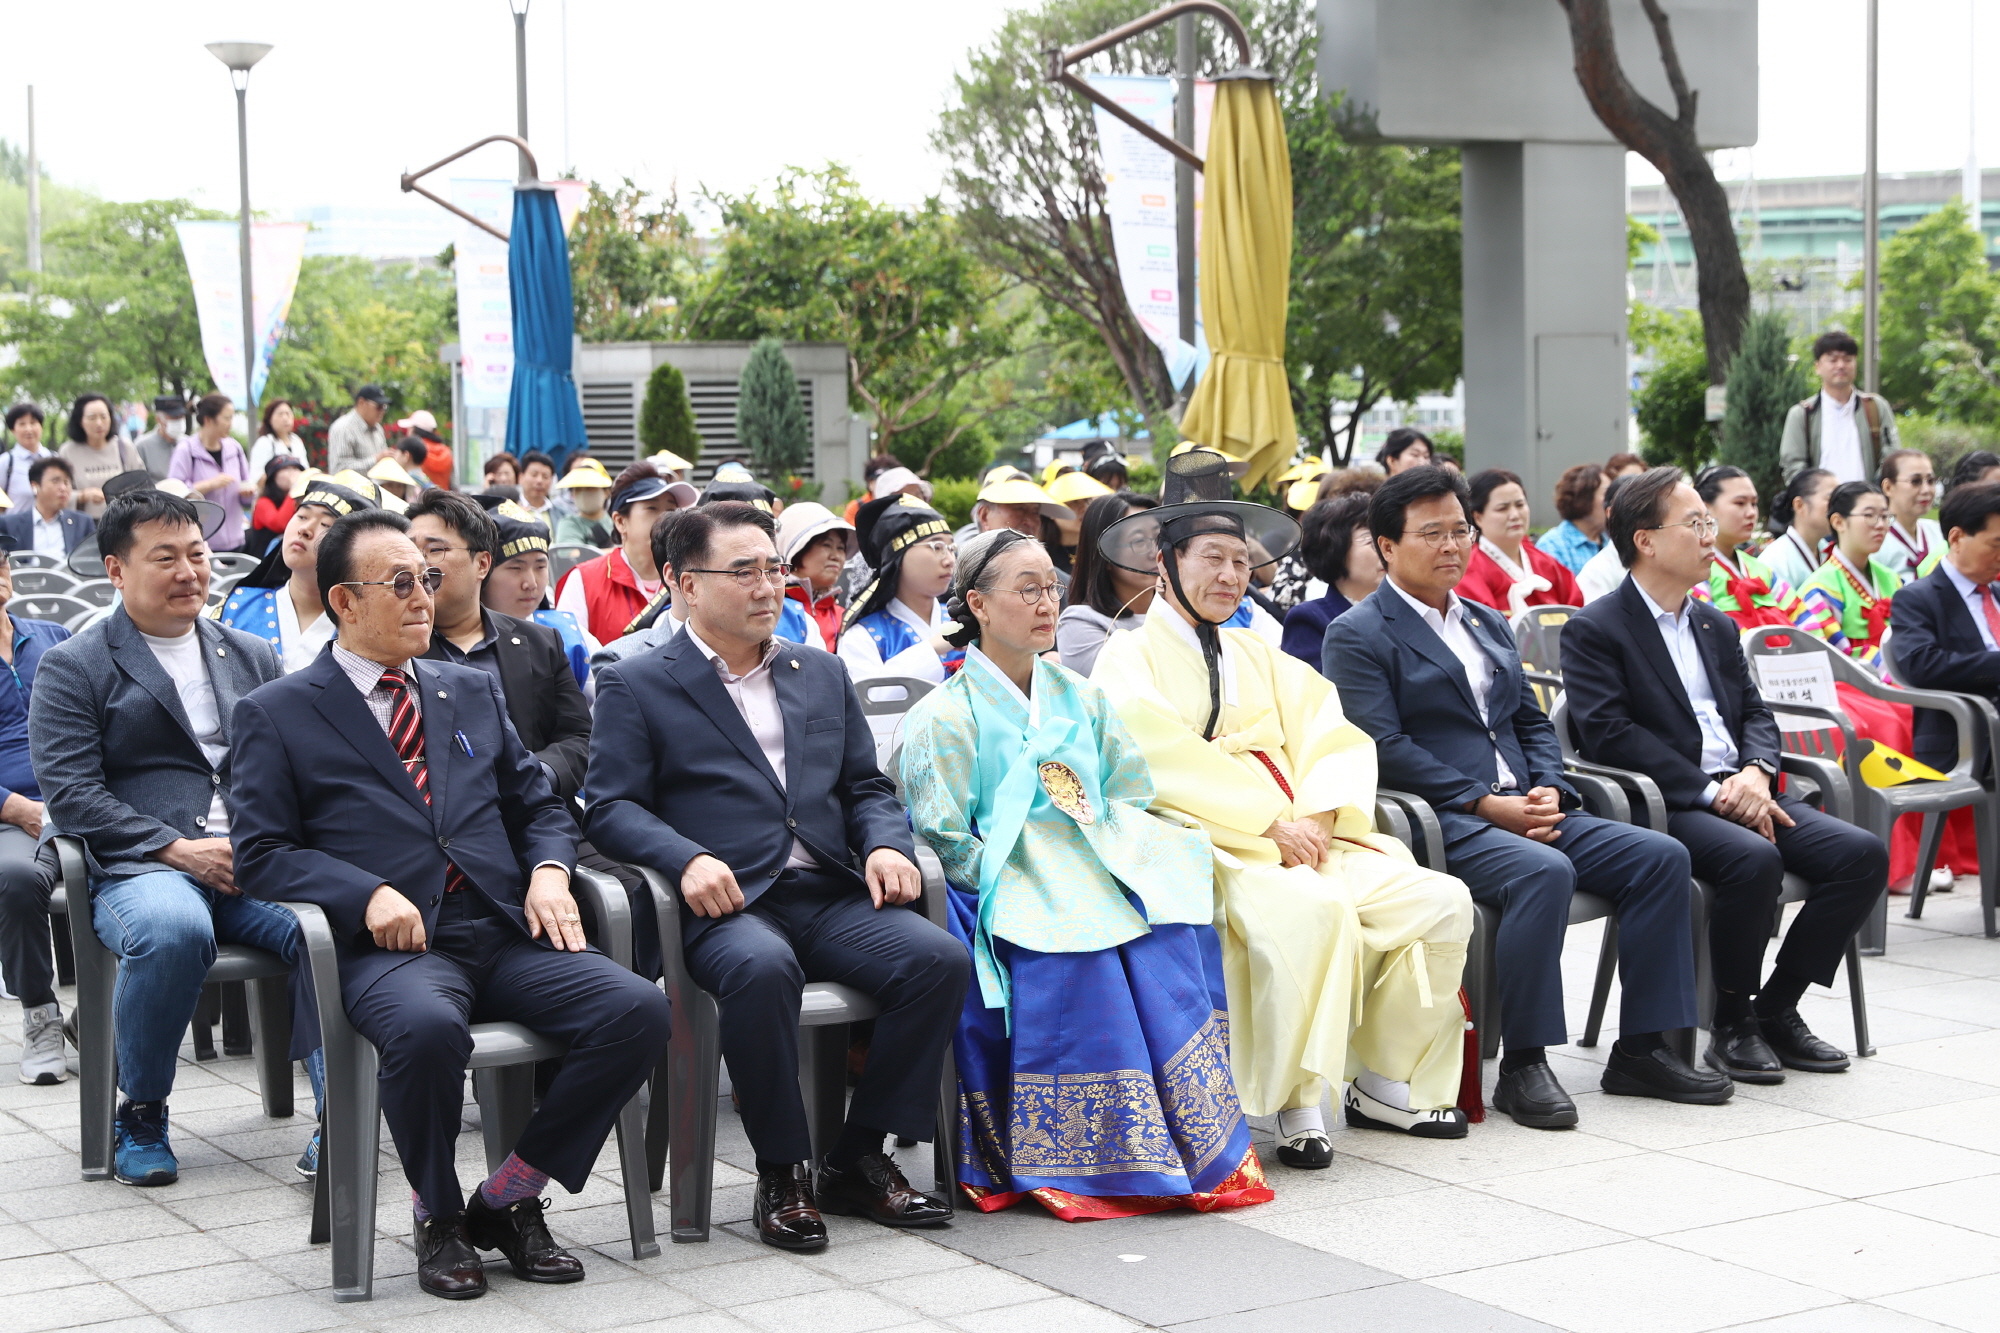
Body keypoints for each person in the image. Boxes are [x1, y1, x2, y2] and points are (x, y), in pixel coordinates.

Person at [229, 507, 668, 1300]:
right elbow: (261, 854)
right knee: (429, 1030)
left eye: (427, 578)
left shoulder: (466, 687)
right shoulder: (279, 711)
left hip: (501, 925)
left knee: (635, 1008)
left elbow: (537, 806)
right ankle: (437, 1213)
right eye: (399, 582)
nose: (422, 595)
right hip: (390, 948)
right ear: (344, 601)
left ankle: (507, 1197)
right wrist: (364, 893)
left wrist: (547, 872)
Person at [584, 501, 967, 1252]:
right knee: (762, 968)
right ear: (683, 583)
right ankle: (781, 1169)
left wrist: (887, 843)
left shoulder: (818, 672)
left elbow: (866, 787)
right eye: (744, 571)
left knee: (937, 959)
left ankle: (857, 1154)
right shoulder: (638, 682)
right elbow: (609, 808)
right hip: (724, 903)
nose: (768, 588)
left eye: (774, 569)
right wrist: (684, 857)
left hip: (823, 888)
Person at [1093, 450, 1477, 1167]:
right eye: (1213, 558)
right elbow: (1153, 755)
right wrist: (1267, 824)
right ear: (1165, 561)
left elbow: (1330, 731)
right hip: (1212, 838)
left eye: (1241, 562)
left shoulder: (1257, 651)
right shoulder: (1126, 657)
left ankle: (1384, 1077)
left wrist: (1322, 816)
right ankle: (1299, 1095)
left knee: (1441, 901)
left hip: (1304, 828)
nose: (1231, 577)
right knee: (1314, 911)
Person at [1325, 466, 1725, 1128]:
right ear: (1388, 545)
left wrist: (1547, 785)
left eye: (1461, 529)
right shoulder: (1359, 632)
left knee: (1660, 856)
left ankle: (1643, 1048)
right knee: (1545, 872)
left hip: (1526, 804)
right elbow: (1382, 745)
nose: (1453, 545)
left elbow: (1530, 720)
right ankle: (1524, 1064)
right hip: (1442, 819)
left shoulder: (1483, 619)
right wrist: (1486, 803)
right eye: (1433, 532)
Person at [900, 528, 1272, 1218]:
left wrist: (1106, 848)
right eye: (1028, 588)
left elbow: (1128, 790)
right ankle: (1076, 1153)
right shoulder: (942, 717)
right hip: (1002, 877)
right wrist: (1036, 870)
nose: (1048, 603)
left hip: (1094, 858)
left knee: (1171, 917)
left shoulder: (1083, 696)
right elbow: (945, 838)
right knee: (1081, 952)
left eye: (1053, 586)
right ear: (977, 603)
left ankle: (1185, 1142)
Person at [27, 491, 317, 1185]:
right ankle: (143, 1109)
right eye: (166, 557)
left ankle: (340, 1113)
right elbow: (70, 793)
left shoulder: (248, 652)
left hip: (253, 860)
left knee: (330, 921)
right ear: (116, 570)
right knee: (175, 927)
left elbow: (288, 764)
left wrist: (271, 842)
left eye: (198, 554)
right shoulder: (76, 664)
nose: (189, 570)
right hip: (144, 867)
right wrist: (177, 849)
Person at [1562, 468, 1887, 1084]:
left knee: (1861, 855)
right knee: (1751, 861)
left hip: (1747, 789)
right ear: (1646, 539)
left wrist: (1758, 773)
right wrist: (1716, 791)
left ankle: (1776, 1008)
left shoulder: (1715, 624)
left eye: (1711, 523)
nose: (1712, 537)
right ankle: (1731, 1023)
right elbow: (1610, 735)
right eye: (1697, 523)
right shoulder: (1596, 628)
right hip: (1668, 803)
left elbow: (1756, 713)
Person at [407, 491, 591, 800]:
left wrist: (535, 775)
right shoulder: (394, 647)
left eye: (434, 549)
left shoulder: (541, 641)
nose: (417, 563)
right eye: (409, 549)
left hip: (540, 814)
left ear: (482, 564)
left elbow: (580, 737)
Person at [0, 550, 71, 1084]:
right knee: (18, 878)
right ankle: (40, 1015)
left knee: (154, 872)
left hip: (79, 796)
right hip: (10, 812)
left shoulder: (51, 635)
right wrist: (17, 808)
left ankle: (95, 1013)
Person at [1888, 481, 2000, 781]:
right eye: (1997, 543)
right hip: (1967, 735)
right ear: (1957, 537)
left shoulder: (1997, 592)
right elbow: (1922, 665)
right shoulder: (1917, 598)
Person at [217, 477, 377, 673]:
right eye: (302, 516)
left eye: (326, 524)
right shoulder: (237, 605)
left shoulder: (368, 628)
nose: (305, 529)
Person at [552, 462, 695, 644]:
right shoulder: (583, 580)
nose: (665, 519)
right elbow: (569, 654)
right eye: (652, 508)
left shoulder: (690, 579)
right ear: (620, 521)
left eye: (671, 510)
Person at [838, 495, 960, 683]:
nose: (950, 560)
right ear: (897, 556)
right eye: (937, 546)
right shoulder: (862, 638)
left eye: (951, 548)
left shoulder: (966, 621)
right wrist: (932, 648)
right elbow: (867, 705)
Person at [477, 499, 594, 689]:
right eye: (516, 568)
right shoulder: (457, 640)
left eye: (540, 566)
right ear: (483, 570)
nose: (531, 583)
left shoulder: (571, 637)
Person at [1056, 492, 1160, 676]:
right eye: (1139, 541)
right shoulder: (1081, 623)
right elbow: (1131, 686)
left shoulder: (1185, 611)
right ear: (1104, 555)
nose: (1156, 552)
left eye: (1160, 539)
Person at [1798, 481, 1899, 668]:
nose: (1881, 525)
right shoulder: (1820, 589)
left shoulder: (1891, 579)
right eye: (1869, 516)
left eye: (1885, 516)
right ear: (1838, 522)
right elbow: (1828, 660)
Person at [1457, 468, 1583, 614]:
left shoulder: (1546, 563)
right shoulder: (1470, 570)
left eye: (1520, 505)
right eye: (1502, 508)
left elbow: (1577, 610)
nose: (1515, 515)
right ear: (1478, 517)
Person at [1780, 331, 1899, 483]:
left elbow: (1892, 457)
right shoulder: (1802, 414)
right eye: (1833, 360)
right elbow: (1793, 465)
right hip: (1821, 504)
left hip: (1869, 501)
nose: (1841, 365)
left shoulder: (1876, 407)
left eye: (1848, 359)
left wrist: (1873, 493)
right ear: (1817, 366)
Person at [1281, 493, 1380, 665]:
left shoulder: (1408, 607)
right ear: (1335, 550)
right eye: (1371, 542)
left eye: (1389, 541)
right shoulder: (1310, 620)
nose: (1386, 551)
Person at [169, 393, 253, 552]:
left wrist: (247, 494)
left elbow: (245, 487)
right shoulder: (186, 450)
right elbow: (174, 493)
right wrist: (210, 484)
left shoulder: (234, 448)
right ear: (208, 420)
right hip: (202, 543)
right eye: (226, 418)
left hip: (236, 539)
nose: (230, 423)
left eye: (231, 418)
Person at [774, 501, 855, 652]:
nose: (836, 556)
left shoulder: (846, 617)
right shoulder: (771, 610)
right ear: (797, 551)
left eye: (841, 548)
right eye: (826, 545)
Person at [61, 392, 145, 519]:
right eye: (92, 418)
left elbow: (143, 486)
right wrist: (82, 496)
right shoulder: (68, 452)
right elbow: (58, 494)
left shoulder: (124, 447)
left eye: (103, 416)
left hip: (123, 522)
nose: (99, 423)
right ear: (80, 421)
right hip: (86, 525)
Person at [1758, 467, 1838, 594]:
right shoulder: (1774, 561)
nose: (1839, 507)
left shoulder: (1830, 552)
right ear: (1799, 505)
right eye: (1831, 499)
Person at [0, 456, 91, 559]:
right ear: (35, 486)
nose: (63, 488)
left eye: (67, 482)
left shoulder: (83, 523)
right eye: (55, 481)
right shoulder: (9, 525)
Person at [1575, 473, 1644, 603]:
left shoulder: (1665, 562)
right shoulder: (1597, 573)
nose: (1645, 517)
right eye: (1636, 509)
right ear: (1611, 513)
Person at [1878, 449, 1943, 585]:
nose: (1926, 490)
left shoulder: (1939, 532)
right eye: (1916, 481)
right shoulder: (1875, 537)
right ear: (1888, 487)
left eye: (1930, 481)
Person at [1537, 464, 1610, 574]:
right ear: (1583, 499)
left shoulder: (1612, 541)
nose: (1614, 501)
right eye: (1607, 494)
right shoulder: (1552, 547)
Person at [325, 385, 390, 476]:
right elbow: (340, 470)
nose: (382, 411)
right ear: (361, 403)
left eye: (384, 407)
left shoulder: (378, 429)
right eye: (379, 406)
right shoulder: (343, 428)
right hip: (349, 490)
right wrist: (376, 460)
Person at [247, 456, 304, 558]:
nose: (294, 473)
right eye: (286, 469)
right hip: (264, 563)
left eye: (296, 468)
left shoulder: (301, 500)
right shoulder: (263, 502)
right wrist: (294, 489)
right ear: (273, 477)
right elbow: (279, 524)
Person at [552, 461, 614, 548]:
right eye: (578, 489)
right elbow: (574, 557)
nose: (584, 493)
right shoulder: (569, 523)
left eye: (590, 488)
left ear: (606, 492)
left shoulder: (616, 522)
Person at [3, 402, 50, 513]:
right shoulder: (5, 463)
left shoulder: (53, 459)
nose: (28, 429)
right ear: (13, 430)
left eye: (33, 423)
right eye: (22, 424)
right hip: (14, 528)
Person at [247, 399, 307, 481]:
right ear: (270, 419)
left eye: (288, 413)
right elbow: (256, 476)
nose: (285, 418)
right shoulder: (264, 443)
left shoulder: (296, 441)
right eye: (280, 414)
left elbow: (305, 469)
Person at [134, 396, 188, 481]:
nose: (178, 421)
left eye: (181, 416)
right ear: (158, 419)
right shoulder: (142, 446)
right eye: (173, 417)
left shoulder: (188, 444)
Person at [398, 411, 454, 489]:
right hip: (442, 498)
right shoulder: (447, 452)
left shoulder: (415, 452)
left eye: (409, 428)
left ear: (414, 430)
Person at [518, 451, 559, 526]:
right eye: (534, 475)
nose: (539, 481)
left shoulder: (561, 513)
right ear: (521, 477)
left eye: (545, 477)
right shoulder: (510, 509)